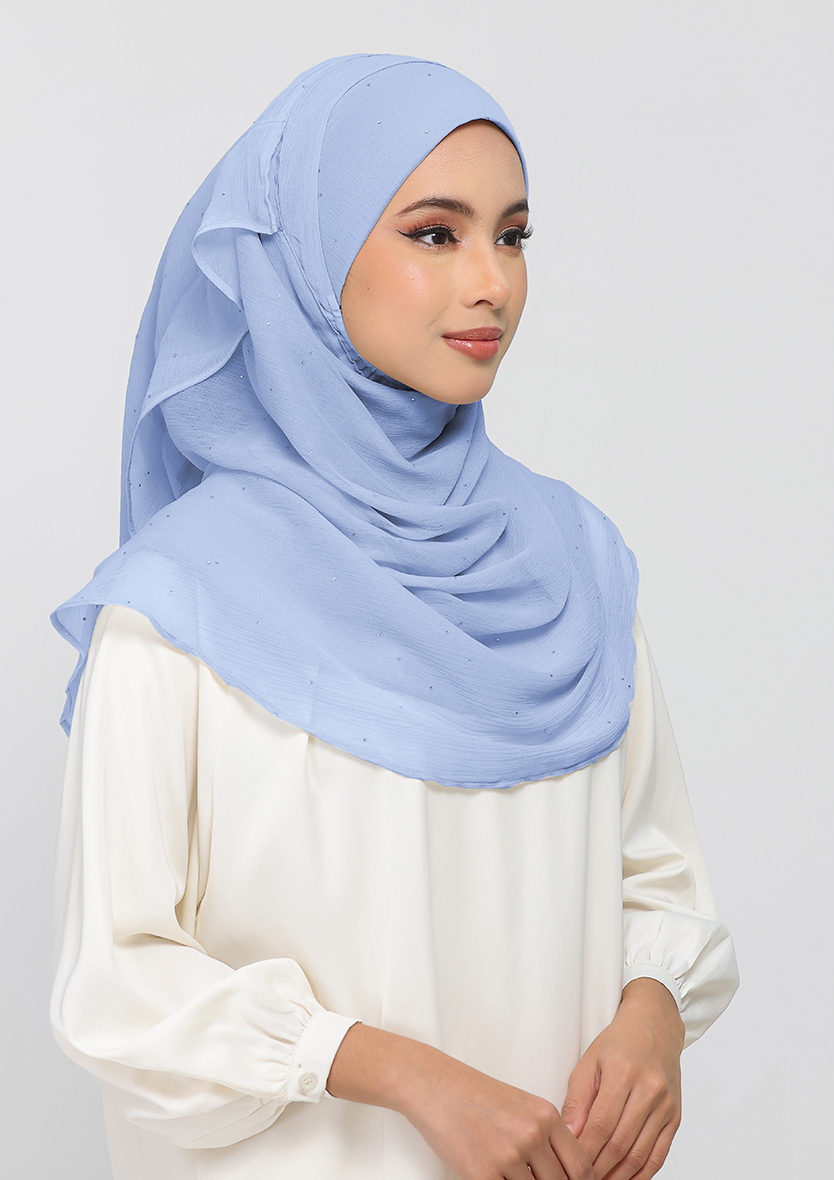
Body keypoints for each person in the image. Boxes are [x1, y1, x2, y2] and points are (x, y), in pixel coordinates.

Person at [49, 53, 739, 1180]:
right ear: (311, 257)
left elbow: (656, 876)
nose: (493, 282)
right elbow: (117, 987)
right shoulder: (180, 601)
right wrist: (406, 1075)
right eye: (434, 234)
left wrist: (654, 1009)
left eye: (512, 236)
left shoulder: (571, 564)